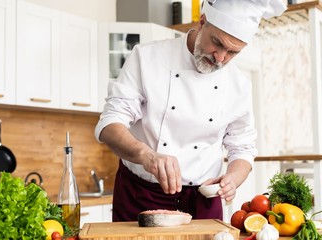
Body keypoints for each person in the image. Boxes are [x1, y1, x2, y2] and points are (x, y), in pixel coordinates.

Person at [95, 0, 286, 222]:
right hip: (141, 195)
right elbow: (110, 123)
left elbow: (243, 148)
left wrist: (232, 179)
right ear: (202, 21)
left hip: (203, 202)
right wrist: (145, 155)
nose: (220, 58)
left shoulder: (239, 86)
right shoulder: (147, 57)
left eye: (232, 52)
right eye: (217, 43)